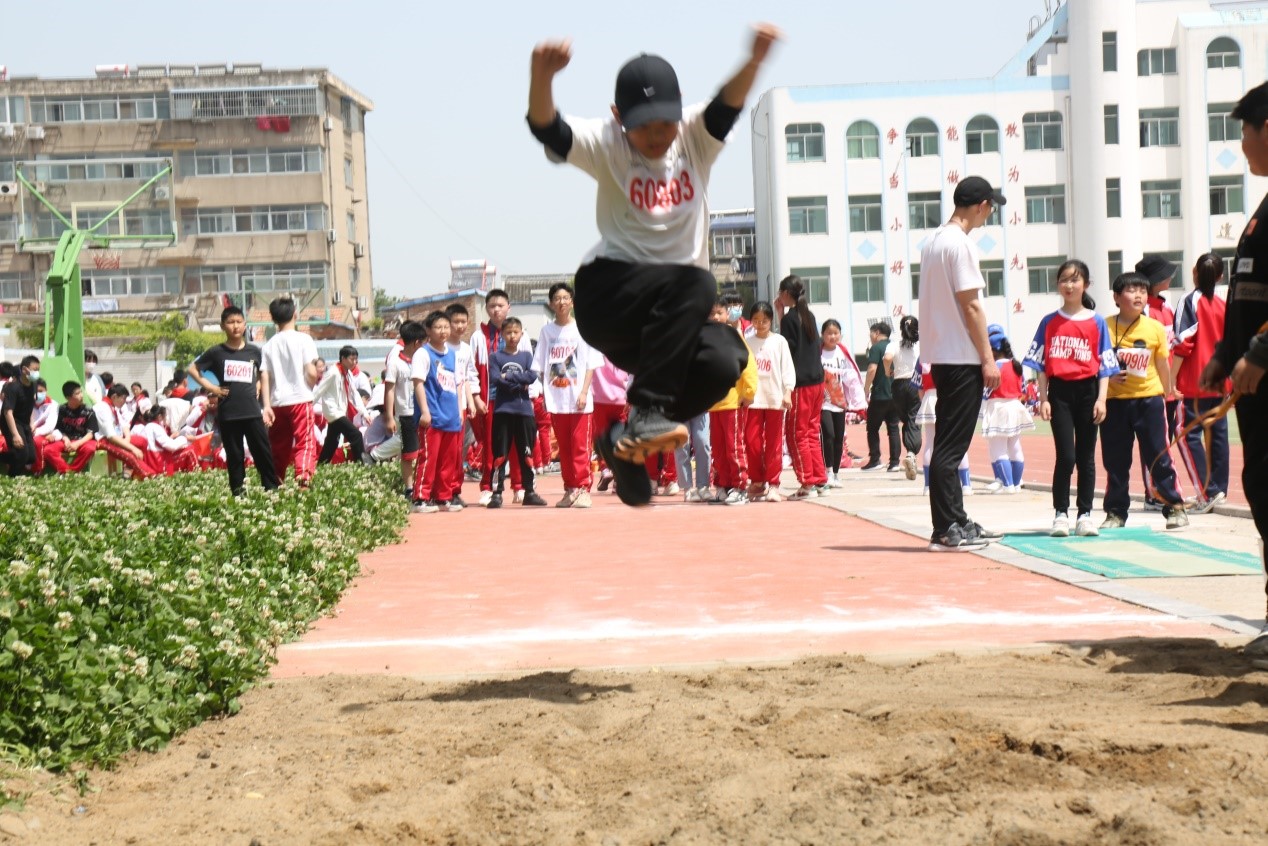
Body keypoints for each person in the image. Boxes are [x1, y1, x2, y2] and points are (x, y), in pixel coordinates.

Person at [527, 25, 777, 506]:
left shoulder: (695, 137)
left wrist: (753, 60)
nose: (656, 137)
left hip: (664, 323)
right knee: (697, 283)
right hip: (610, 297)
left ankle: (624, 442)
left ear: (679, 113)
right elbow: (548, 128)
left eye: (664, 125)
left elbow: (727, 105)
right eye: (642, 128)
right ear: (618, 116)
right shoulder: (606, 143)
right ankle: (644, 412)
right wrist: (541, 76)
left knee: (726, 356)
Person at [1205, 81, 1268, 659]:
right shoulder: (1262, 210)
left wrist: (1261, 352)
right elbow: (1248, 294)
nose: (1242, 146)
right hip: (1254, 388)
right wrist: (1226, 353)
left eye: (1244, 132)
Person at [917, 175, 1006, 552]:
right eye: (990, 207)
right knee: (951, 449)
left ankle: (956, 519)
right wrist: (988, 359)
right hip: (961, 357)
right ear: (982, 205)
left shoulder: (934, 241)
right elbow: (971, 305)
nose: (990, 214)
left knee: (948, 446)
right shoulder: (961, 244)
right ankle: (946, 527)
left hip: (941, 354)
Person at [1023, 259, 1119, 538]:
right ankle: (1060, 513)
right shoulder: (1049, 322)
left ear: (1086, 285)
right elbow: (1039, 364)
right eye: (1064, 279)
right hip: (1060, 393)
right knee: (1065, 456)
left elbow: (1105, 365)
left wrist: (1102, 399)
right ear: (1058, 285)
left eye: (1075, 280)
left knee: (1086, 457)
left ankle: (1085, 514)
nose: (1069, 285)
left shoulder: (1097, 322)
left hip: (1089, 392)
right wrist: (1043, 398)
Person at [1099, 272, 1188, 531]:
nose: (1138, 295)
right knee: (1115, 461)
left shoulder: (1155, 328)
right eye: (1130, 290)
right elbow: (1097, 364)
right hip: (1114, 403)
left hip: (1149, 400)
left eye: (1142, 291)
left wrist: (1169, 390)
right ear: (1116, 297)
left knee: (1159, 456)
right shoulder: (1103, 326)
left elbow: (1162, 362)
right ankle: (1115, 513)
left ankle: (1175, 507)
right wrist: (1108, 378)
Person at [189, 305, 279, 496]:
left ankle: (271, 490)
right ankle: (239, 494)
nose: (235, 326)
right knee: (235, 456)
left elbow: (263, 374)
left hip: (253, 411)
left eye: (239, 322)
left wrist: (265, 400)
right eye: (230, 322)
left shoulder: (254, 351)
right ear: (223, 326)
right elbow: (193, 369)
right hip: (229, 413)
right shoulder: (216, 352)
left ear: (245, 325)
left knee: (263, 452)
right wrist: (212, 388)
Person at [1173, 252, 1230, 513]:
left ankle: (1206, 492)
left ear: (1194, 272)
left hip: (1194, 381)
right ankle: (1218, 489)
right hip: (1220, 381)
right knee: (1218, 435)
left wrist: (1171, 380)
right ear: (1220, 276)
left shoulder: (1188, 301)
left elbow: (1183, 344)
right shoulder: (1222, 304)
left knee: (1187, 434)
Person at [533, 282, 598, 508]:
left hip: (579, 399)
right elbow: (540, 364)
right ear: (551, 304)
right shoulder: (546, 331)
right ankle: (570, 489)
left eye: (565, 298)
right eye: (557, 298)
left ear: (572, 302)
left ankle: (583, 490)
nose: (561, 302)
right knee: (565, 448)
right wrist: (543, 393)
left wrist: (583, 392)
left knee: (580, 446)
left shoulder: (584, 329)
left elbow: (591, 364)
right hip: (557, 399)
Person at [1136, 254, 1182, 511]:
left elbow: (1173, 352)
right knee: (1151, 442)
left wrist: (1174, 384)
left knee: (1164, 442)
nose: (1170, 277)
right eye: (1165, 274)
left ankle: (1163, 490)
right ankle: (1152, 493)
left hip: (1170, 390)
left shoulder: (1166, 309)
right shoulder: (1143, 312)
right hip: (1151, 388)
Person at [487, 317, 548, 508]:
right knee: (500, 454)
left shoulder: (526, 357)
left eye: (516, 332)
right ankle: (496, 493)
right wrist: (517, 382)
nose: (512, 336)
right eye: (508, 332)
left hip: (524, 411)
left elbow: (531, 376)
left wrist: (510, 377)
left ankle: (529, 491)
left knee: (527, 453)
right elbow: (496, 378)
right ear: (502, 334)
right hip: (503, 410)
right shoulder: (495, 357)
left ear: (521, 334)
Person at [260, 297, 320, 488]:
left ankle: (275, 483)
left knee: (278, 447)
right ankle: (303, 480)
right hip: (300, 398)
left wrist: (267, 405)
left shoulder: (268, 344)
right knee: (305, 442)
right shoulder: (304, 339)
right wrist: (311, 383)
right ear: (295, 313)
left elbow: (264, 375)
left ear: (273, 319)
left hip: (277, 402)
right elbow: (311, 371)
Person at [776, 275, 828, 498]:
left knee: (797, 433)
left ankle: (807, 483)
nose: (779, 296)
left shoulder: (789, 320)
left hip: (802, 384)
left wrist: (781, 317)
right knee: (811, 432)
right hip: (817, 381)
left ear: (787, 294)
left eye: (781, 292)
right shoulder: (809, 315)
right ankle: (819, 479)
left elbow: (787, 351)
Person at [411, 311, 464, 513]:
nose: (443, 331)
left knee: (448, 461)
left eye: (445, 327)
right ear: (428, 330)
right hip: (432, 416)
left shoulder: (452, 354)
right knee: (429, 458)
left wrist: (459, 411)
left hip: (451, 416)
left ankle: (443, 497)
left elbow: (458, 384)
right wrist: (424, 411)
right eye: (438, 327)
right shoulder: (423, 353)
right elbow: (418, 383)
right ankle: (421, 498)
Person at [708, 298, 757, 505]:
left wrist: (749, 392)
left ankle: (740, 487)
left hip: (732, 403)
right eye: (711, 314)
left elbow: (748, 365)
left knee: (734, 447)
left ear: (727, 314)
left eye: (719, 312)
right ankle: (724, 485)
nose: (715, 317)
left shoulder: (735, 337)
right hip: (714, 405)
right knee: (718, 449)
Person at [744, 301, 793, 503]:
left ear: (771, 320)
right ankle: (757, 480)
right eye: (756, 320)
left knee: (773, 443)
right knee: (751, 441)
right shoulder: (747, 341)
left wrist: (788, 392)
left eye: (764, 320)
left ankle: (773, 483)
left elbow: (787, 368)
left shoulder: (779, 341)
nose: (760, 324)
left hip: (774, 398)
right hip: (753, 399)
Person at [981, 325, 1034, 494]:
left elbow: (985, 392)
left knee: (998, 450)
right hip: (1015, 406)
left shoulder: (994, 366)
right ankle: (1016, 484)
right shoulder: (1016, 365)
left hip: (999, 407)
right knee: (1015, 447)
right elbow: (1024, 390)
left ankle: (1008, 484)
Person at [472, 289, 512, 505]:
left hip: (514, 399)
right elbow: (472, 369)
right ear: (486, 309)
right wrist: (476, 396)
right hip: (491, 399)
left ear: (508, 307)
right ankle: (487, 486)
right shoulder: (479, 337)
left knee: (515, 443)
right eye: (492, 306)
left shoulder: (517, 332)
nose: (496, 310)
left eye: (500, 305)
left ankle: (519, 487)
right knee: (490, 445)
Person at [915, 361, 973, 496]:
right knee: (958, 441)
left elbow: (919, 387)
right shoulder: (950, 351)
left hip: (929, 397)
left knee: (930, 442)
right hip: (950, 396)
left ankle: (928, 486)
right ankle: (966, 485)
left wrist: (926, 401)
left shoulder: (922, 357)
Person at [381, 320, 426, 495]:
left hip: (422, 412)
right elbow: (390, 391)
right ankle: (409, 488)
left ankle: (422, 485)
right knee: (409, 453)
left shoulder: (420, 361)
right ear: (417, 343)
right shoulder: (395, 362)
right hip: (406, 413)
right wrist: (391, 416)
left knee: (424, 451)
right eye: (423, 343)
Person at [445, 302, 480, 506]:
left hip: (463, 407)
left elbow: (467, 376)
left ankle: (455, 489)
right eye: (455, 321)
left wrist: (472, 399)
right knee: (446, 451)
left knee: (461, 450)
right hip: (444, 407)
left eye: (463, 321)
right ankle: (443, 489)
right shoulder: (439, 348)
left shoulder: (466, 349)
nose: (459, 326)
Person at [313, 345, 369, 466]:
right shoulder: (333, 372)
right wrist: (307, 407)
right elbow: (318, 391)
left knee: (331, 442)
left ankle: (321, 464)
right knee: (356, 435)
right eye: (351, 359)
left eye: (356, 359)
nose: (354, 362)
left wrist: (364, 412)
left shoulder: (347, 373)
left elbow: (354, 394)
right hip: (334, 412)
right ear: (343, 358)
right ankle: (363, 465)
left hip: (340, 411)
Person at [92, 383, 154, 479]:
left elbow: (124, 425)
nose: (125, 402)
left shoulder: (112, 406)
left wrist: (127, 439)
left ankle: (131, 473)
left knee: (142, 441)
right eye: (123, 398)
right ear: (114, 396)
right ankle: (149, 476)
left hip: (117, 438)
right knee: (131, 455)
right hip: (104, 441)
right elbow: (111, 436)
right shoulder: (102, 408)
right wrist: (132, 448)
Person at [860, 322, 900, 474]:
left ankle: (875, 459)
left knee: (872, 428)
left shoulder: (876, 348)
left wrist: (865, 389)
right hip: (895, 393)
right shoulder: (895, 346)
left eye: (871, 333)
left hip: (880, 394)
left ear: (876, 332)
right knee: (893, 428)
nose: (870, 337)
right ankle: (894, 462)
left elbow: (871, 369)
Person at [590, 356, 631, 494]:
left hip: (599, 396)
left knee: (601, 436)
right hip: (620, 396)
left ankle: (606, 469)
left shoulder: (595, 342)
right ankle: (619, 477)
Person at [891, 315, 922, 481]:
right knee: (913, 419)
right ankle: (911, 453)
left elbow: (887, 358)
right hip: (915, 383)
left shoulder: (894, 344)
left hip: (898, 384)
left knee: (906, 420)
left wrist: (889, 369)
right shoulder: (921, 345)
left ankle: (910, 452)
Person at [43, 381, 98, 474]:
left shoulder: (89, 410)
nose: (81, 395)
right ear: (68, 397)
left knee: (90, 449)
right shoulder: (61, 409)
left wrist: (77, 444)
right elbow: (58, 428)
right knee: (48, 450)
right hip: (65, 439)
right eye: (77, 393)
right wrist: (66, 439)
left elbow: (90, 434)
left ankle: (73, 470)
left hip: (83, 440)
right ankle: (65, 470)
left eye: (81, 392)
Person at [1, 355, 39, 476]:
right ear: (24, 370)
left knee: (31, 457)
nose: (37, 373)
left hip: (24, 422)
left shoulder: (33, 385)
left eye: (38, 370)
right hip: (10, 422)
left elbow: (30, 405)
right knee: (21, 454)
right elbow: (8, 412)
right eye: (34, 369)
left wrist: (32, 422)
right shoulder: (13, 387)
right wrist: (15, 435)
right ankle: (12, 478)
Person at [139, 405, 199, 476]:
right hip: (158, 463)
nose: (166, 418)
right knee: (190, 450)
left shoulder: (146, 427)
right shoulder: (156, 427)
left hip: (150, 461)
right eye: (165, 416)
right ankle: (196, 476)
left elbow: (161, 444)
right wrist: (185, 438)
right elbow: (171, 446)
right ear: (160, 416)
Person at [29, 379, 58, 475]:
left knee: (36, 441)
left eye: (40, 391)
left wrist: (33, 433)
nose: (37, 394)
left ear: (46, 390)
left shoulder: (53, 405)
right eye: (34, 391)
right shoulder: (26, 403)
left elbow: (49, 426)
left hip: (46, 434)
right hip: (29, 432)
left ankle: (38, 469)